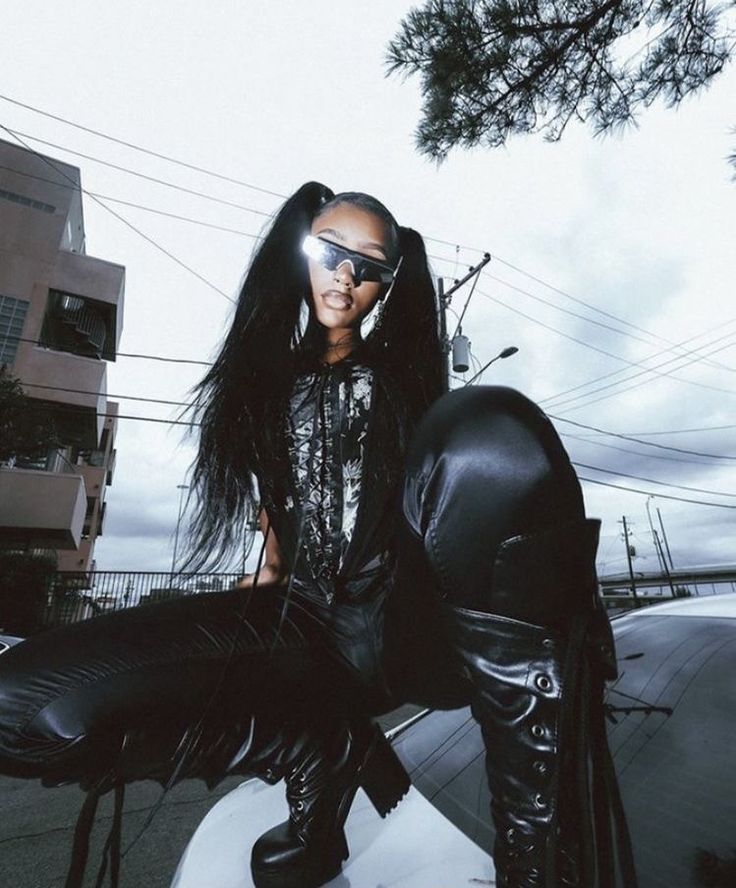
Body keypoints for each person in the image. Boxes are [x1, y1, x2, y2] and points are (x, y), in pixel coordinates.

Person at [0, 182, 635, 888]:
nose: (347, 273)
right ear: (301, 254)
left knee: (491, 427)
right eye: (331, 252)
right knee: (18, 705)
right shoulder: (259, 389)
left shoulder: (407, 381)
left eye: (371, 264)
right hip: (303, 626)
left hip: (409, 624)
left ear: (388, 284)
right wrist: (258, 586)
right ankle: (314, 745)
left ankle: (538, 862)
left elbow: (452, 490)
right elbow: (278, 519)